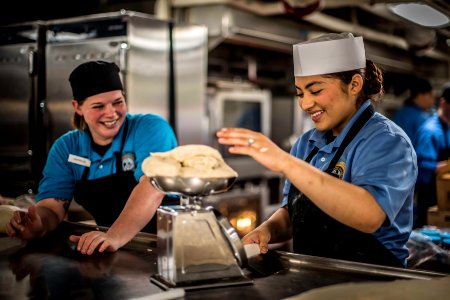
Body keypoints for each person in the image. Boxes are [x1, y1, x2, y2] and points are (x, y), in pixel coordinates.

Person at [217, 32, 417, 267]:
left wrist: (284, 162)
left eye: (315, 90)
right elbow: (294, 215)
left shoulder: (386, 141)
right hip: (313, 274)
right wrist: (267, 230)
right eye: (300, 93)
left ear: (354, 84)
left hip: (371, 280)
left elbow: (369, 216)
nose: (305, 103)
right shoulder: (306, 144)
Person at [5, 61, 177, 254]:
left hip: (165, 246)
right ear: (77, 107)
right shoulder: (67, 148)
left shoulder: (149, 128)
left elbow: (152, 187)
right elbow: (52, 208)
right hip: (113, 249)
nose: (111, 113)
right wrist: (38, 225)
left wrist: (114, 236)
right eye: (98, 106)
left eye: (117, 102)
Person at [413, 84, 450, 228]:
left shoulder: (447, 127)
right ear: (443, 103)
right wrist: (445, 166)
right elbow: (420, 166)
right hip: (429, 197)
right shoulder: (429, 131)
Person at [393, 77, 434, 141]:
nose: (432, 100)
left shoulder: (399, 113)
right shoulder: (422, 118)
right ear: (420, 96)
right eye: (430, 95)